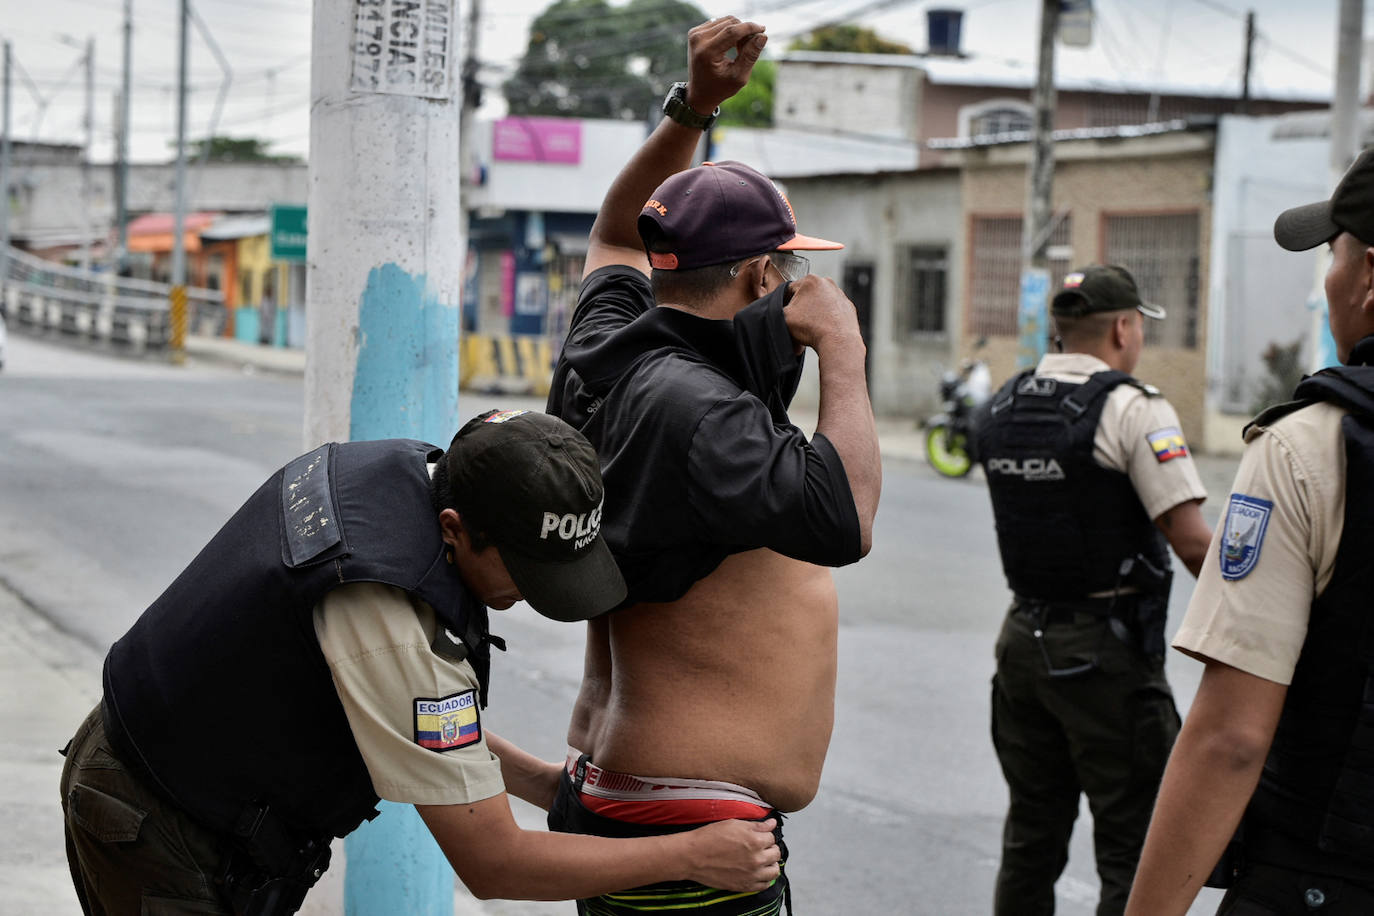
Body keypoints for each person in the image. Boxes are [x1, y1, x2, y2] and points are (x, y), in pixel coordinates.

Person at [59, 408, 781, 915]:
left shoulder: (409, 471)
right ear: (455, 529)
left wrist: (552, 789)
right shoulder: (391, 614)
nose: (531, 600)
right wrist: (693, 857)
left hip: (161, 766)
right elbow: (494, 864)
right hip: (154, 819)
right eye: (525, 575)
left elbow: (415, 725)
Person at [508, 15, 881, 916]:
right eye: (790, 269)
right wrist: (842, 345)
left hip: (622, 792)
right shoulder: (703, 411)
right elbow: (846, 520)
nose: (798, 285)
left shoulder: (605, 352)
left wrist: (694, 107)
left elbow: (613, 229)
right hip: (693, 839)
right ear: (761, 278)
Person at [1125, 148, 1374, 916]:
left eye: (1331, 257)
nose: (1326, 282)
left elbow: (1231, 738)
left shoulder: (1314, 446)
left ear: (1368, 275)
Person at [974, 264, 1214, 916]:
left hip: (1022, 644)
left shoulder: (1003, 403)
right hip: (1103, 660)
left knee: (1031, 834)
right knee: (1131, 846)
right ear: (1123, 327)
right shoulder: (1134, 408)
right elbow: (1193, 543)